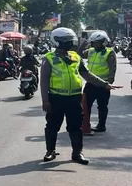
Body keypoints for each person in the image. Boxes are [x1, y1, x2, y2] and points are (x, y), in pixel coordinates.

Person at [40, 27, 121, 164]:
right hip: (56, 98)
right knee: (53, 125)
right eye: (66, 41)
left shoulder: (75, 57)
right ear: (57, 41)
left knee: (76, 126)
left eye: (70, 40)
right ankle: (50, 151)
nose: (69, 43)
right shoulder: (49, 59)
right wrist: (45, 101)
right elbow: (44, 81)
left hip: (74, 98)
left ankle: (77, 153)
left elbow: (87, 74)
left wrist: (105, 84)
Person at [84, 32, 116, 132]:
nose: (94, 45)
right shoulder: (90, 51)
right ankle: (85, 125)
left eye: (96, 43)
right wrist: (83, 44)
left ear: (103, 43)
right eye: (93, 43)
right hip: (90, 83)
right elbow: (78, 54)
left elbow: (112, 69)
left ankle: (101, 125)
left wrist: (108, 83)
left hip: (103, 84)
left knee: (102, 106)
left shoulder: (109, 53)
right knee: (85, 105)